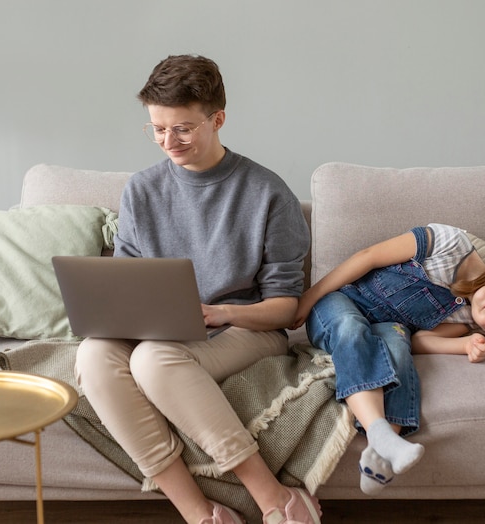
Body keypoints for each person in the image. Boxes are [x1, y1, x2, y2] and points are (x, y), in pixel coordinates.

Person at [75, 55, 321, 524]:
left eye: (183, 129)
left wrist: (220, 313)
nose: (169, 142)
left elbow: (285, 310)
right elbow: (127, 280)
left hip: (244, 327)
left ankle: (274, 497)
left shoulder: (267, 192)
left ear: (218, 119)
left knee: (152, 358)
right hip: (164, 328)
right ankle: (199, 512)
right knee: (92, 354)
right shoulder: (141, 190)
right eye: (158, 129)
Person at [291, 223, 485, 495]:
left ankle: (379, 455)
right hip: (340, 301)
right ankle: (381, 436)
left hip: (385, 325)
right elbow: (367, 257)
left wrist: (463, 344)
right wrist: (309, 298)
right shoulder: (449, 244)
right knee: (351, 328)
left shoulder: (464, 320)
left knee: (398, 346)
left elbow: (418, 341)